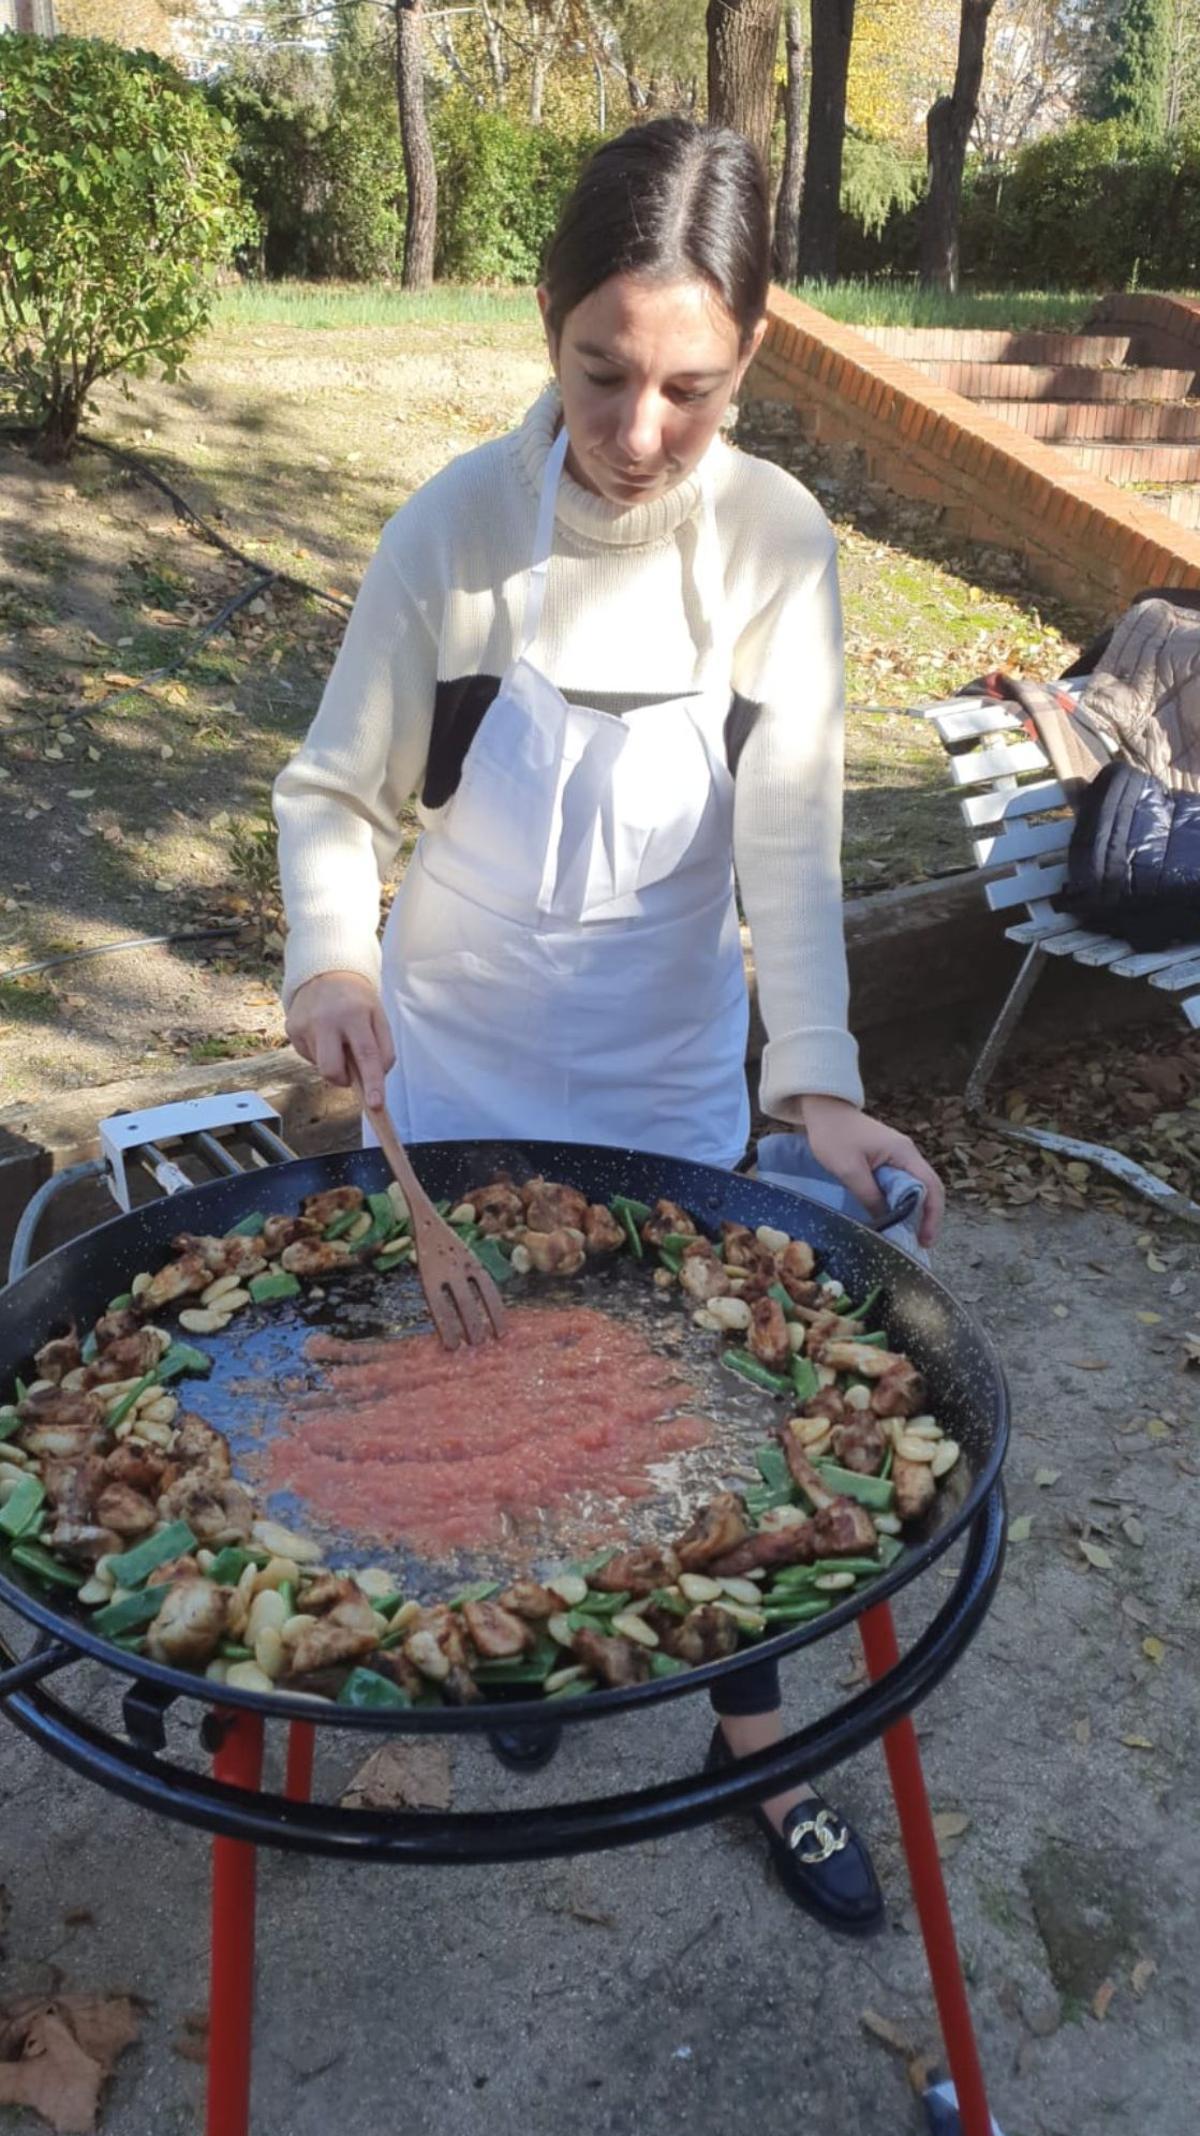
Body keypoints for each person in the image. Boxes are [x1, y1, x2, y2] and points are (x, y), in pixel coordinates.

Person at [274, 117, 943, 1934]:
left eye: (692, 391)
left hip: (661, 1062)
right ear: (547, 314)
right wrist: (332, 961)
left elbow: (789, 851)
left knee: (693, 1404)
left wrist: (817, 1092)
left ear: (757, 353)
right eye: (599, 373)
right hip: (463, 1048)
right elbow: (336, 794)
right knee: (489, 1377)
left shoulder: (780, 549)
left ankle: (758, 1743)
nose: (637, 435)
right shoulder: (457, 531)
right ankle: (524, 1646)